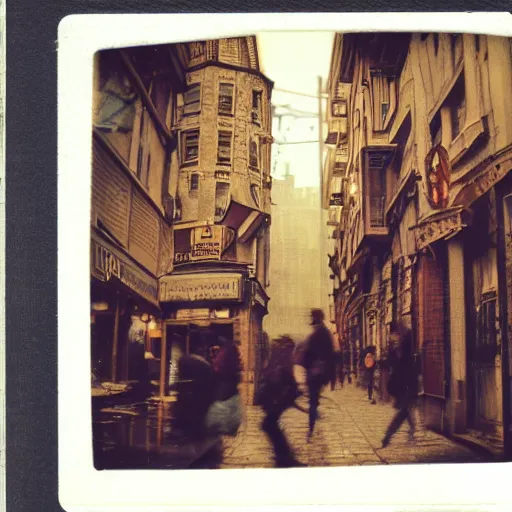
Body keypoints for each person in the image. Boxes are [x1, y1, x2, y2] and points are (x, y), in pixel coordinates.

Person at [257, 336, 305, 468]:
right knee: (273, 429)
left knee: (274, 430)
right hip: (273, 406)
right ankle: (285, 460)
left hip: (273, 407)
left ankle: (284, 459)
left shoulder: (276, 364)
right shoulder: (280, 367)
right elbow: (281, 386)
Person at [381, 326, 419, 448]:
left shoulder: (407, 351)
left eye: (396, 336)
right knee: (405, 410)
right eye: (393, 336)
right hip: (398, 386)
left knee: (403, 411)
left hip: (407, 385)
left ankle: (388, 434)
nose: (394, 338)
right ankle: (412, 429)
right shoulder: (393, 351)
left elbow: (411, 369)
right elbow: (389, 366)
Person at [302, 309, 335, 441]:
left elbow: (307, 355)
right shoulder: (326, 334)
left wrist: (307, 369)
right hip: (321, 374)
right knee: (314, 401)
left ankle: (311, 427)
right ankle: (313, 420)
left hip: (314, 373)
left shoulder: (315, 336)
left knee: (313, 401)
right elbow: (331, 355)